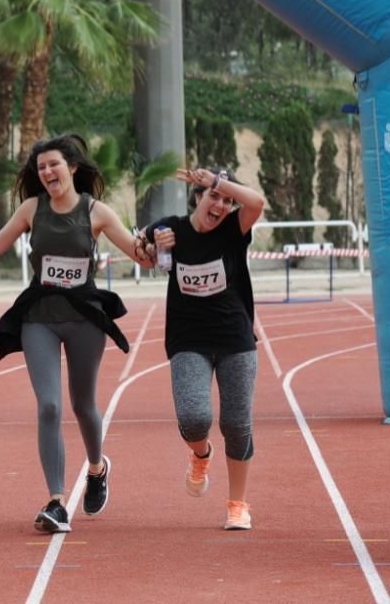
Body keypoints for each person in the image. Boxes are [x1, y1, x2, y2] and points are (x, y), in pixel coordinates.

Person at [0, 133, 155, 533]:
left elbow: (140, 256)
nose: (47, 172)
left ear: (72, 167)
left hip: (84, 316)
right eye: (41, 168)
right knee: (49, 406)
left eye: (53, 164)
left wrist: (156, 242)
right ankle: (56, 501)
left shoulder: (97, 212)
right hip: (38, 316)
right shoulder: (31, 209)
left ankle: (96, 467)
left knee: (83, 405)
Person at [144, 167, 265, 531]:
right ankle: (201, 455)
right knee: (194, 418)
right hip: (188, 339)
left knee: (236, 425)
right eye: (214, 196)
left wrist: (216, 180)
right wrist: (154, 248)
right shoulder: (172, 228)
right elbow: (146, 249)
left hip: (235, 338)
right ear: (198, 197)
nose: (220, 204)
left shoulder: (234, 229)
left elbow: (257, 202)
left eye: (227, 200)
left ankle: (238, 504)